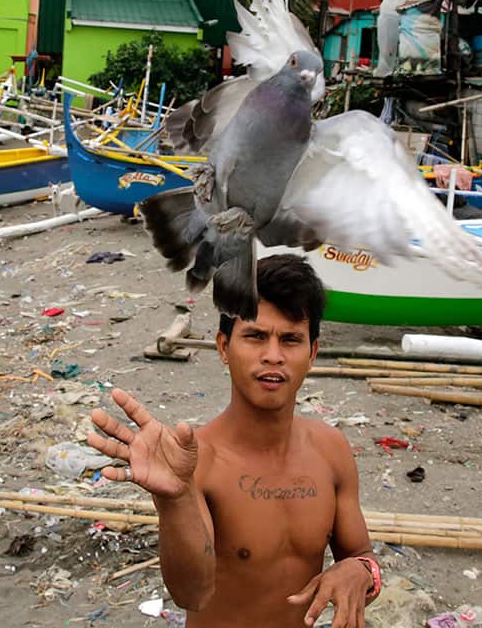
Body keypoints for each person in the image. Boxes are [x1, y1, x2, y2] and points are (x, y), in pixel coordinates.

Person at [88, 254, 380, 627]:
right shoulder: (197, 462)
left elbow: (361, 555)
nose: (273, 356)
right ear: (224, 347)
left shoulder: (331, 450)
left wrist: (361, 572)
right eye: (255, 336)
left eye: (290, 340)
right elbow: (191, 593)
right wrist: (175, 499)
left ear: (313, 353)